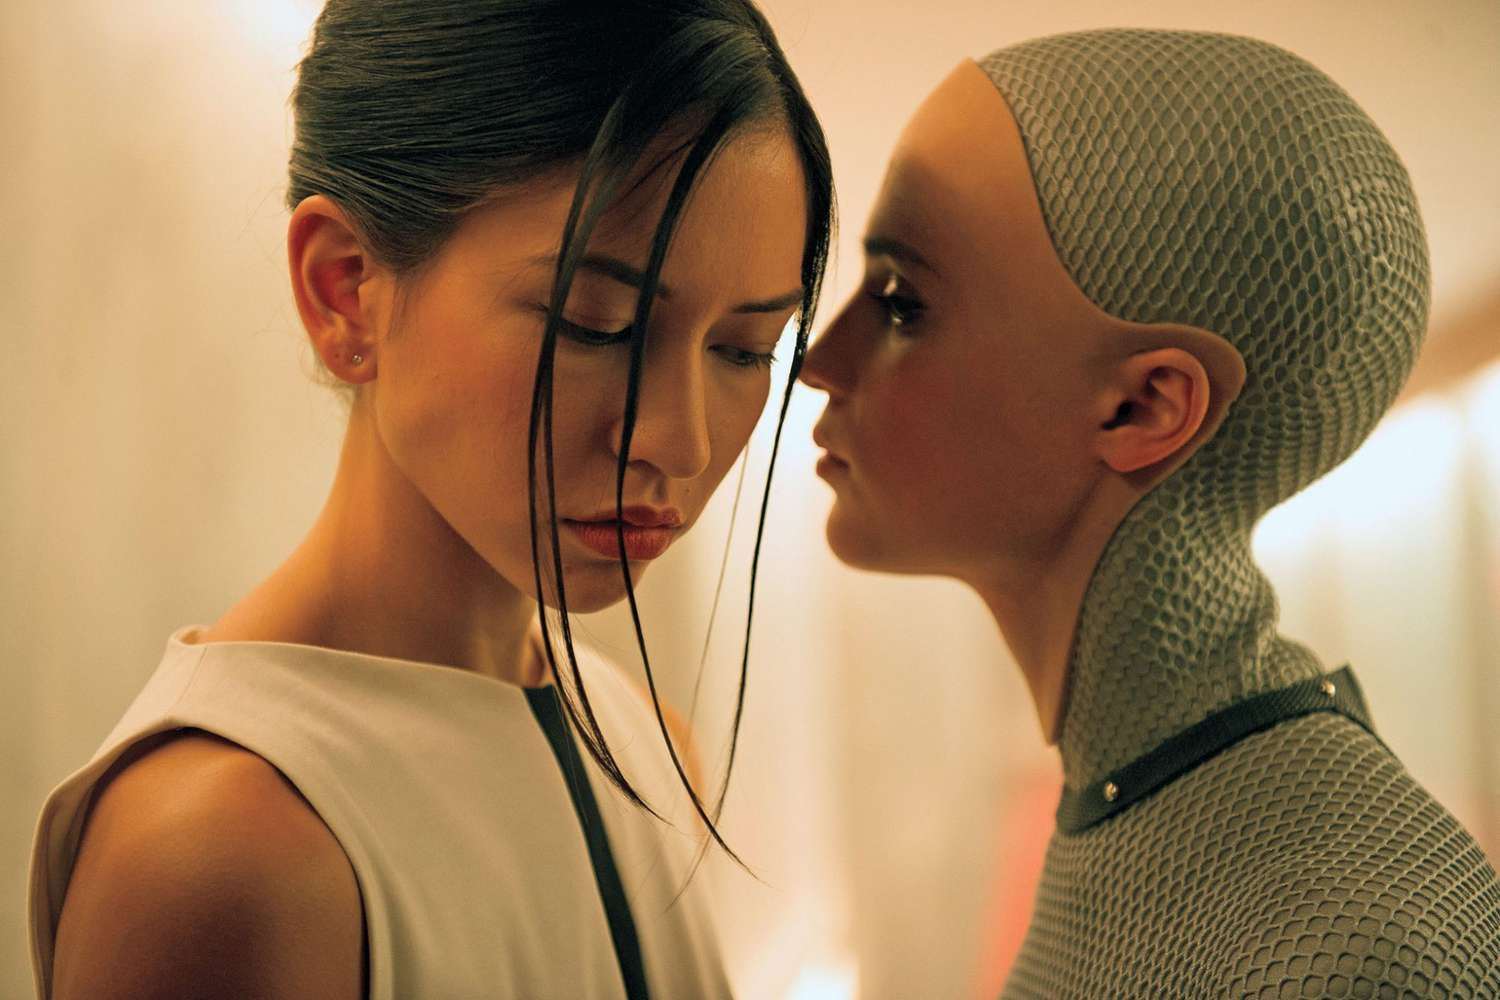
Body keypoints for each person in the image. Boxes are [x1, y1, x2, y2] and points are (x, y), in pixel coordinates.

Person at [28, 2, 833, 998]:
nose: (684, 441)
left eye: (745, 349)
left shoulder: (649, 749)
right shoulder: (221, 856)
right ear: (346, 290)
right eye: (599, 324)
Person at [800, 28, 1499, 998]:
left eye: (902, 302)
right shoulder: (1142, 799)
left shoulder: (1353, 941)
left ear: (1144, 408)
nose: (819, 361)